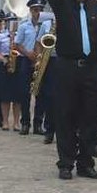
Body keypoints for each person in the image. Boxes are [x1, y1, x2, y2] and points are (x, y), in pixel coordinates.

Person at [45, 0, 97, 180]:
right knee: (66, 116)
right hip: (67, 68)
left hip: (91, 69)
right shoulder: (62, 3)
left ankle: (86, 164)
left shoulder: (96, 8)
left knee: (90, 118)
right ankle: (66, 163)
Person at [14, 0, 45, 135]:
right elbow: (17, 44)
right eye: (35, 10)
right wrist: (27, 53)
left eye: (40, 10)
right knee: (24, 93)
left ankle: (38, 124)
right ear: (31, 11)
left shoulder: (47, 25)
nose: (38, 13)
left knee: (41, 94)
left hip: (41, 61)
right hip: (26, 60)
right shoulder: (23, 26)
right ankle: (25, 123)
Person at [35, 13, 57, 144]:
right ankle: (49, 130)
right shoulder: (46, 24)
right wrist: (39, 58)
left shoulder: (70, 20)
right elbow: (39, 43)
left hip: (66, 60)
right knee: (50, 96)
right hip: (50, 60)